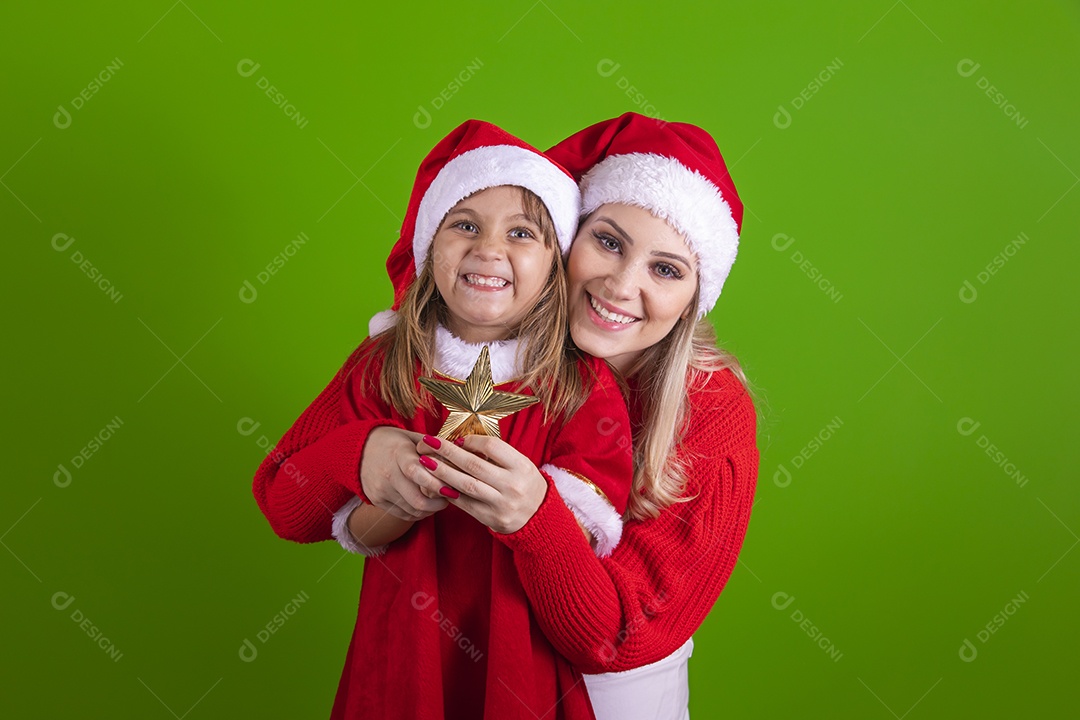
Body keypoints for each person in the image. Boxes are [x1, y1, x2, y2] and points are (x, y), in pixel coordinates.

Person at [362, 113, 759, 720]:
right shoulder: (480, 350)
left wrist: (537, 519)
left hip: (615, 700)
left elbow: (619, 640)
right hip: (465, 676)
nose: (622, 286)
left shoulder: (711, 410)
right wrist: (364, 453)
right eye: (608, 241)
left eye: (666, 269)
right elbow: (301, 495)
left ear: (692, 300)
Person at [252, 119, 634, 720]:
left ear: (556, 267)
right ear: (431, 247)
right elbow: (285, 506)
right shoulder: (384, 365)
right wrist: (364, 457)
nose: (488, 248)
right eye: (464, 225)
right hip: (400, 668)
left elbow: (586, 608)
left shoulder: (580, 388)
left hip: (522, 679)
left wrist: (534, 512)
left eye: (521, 233)